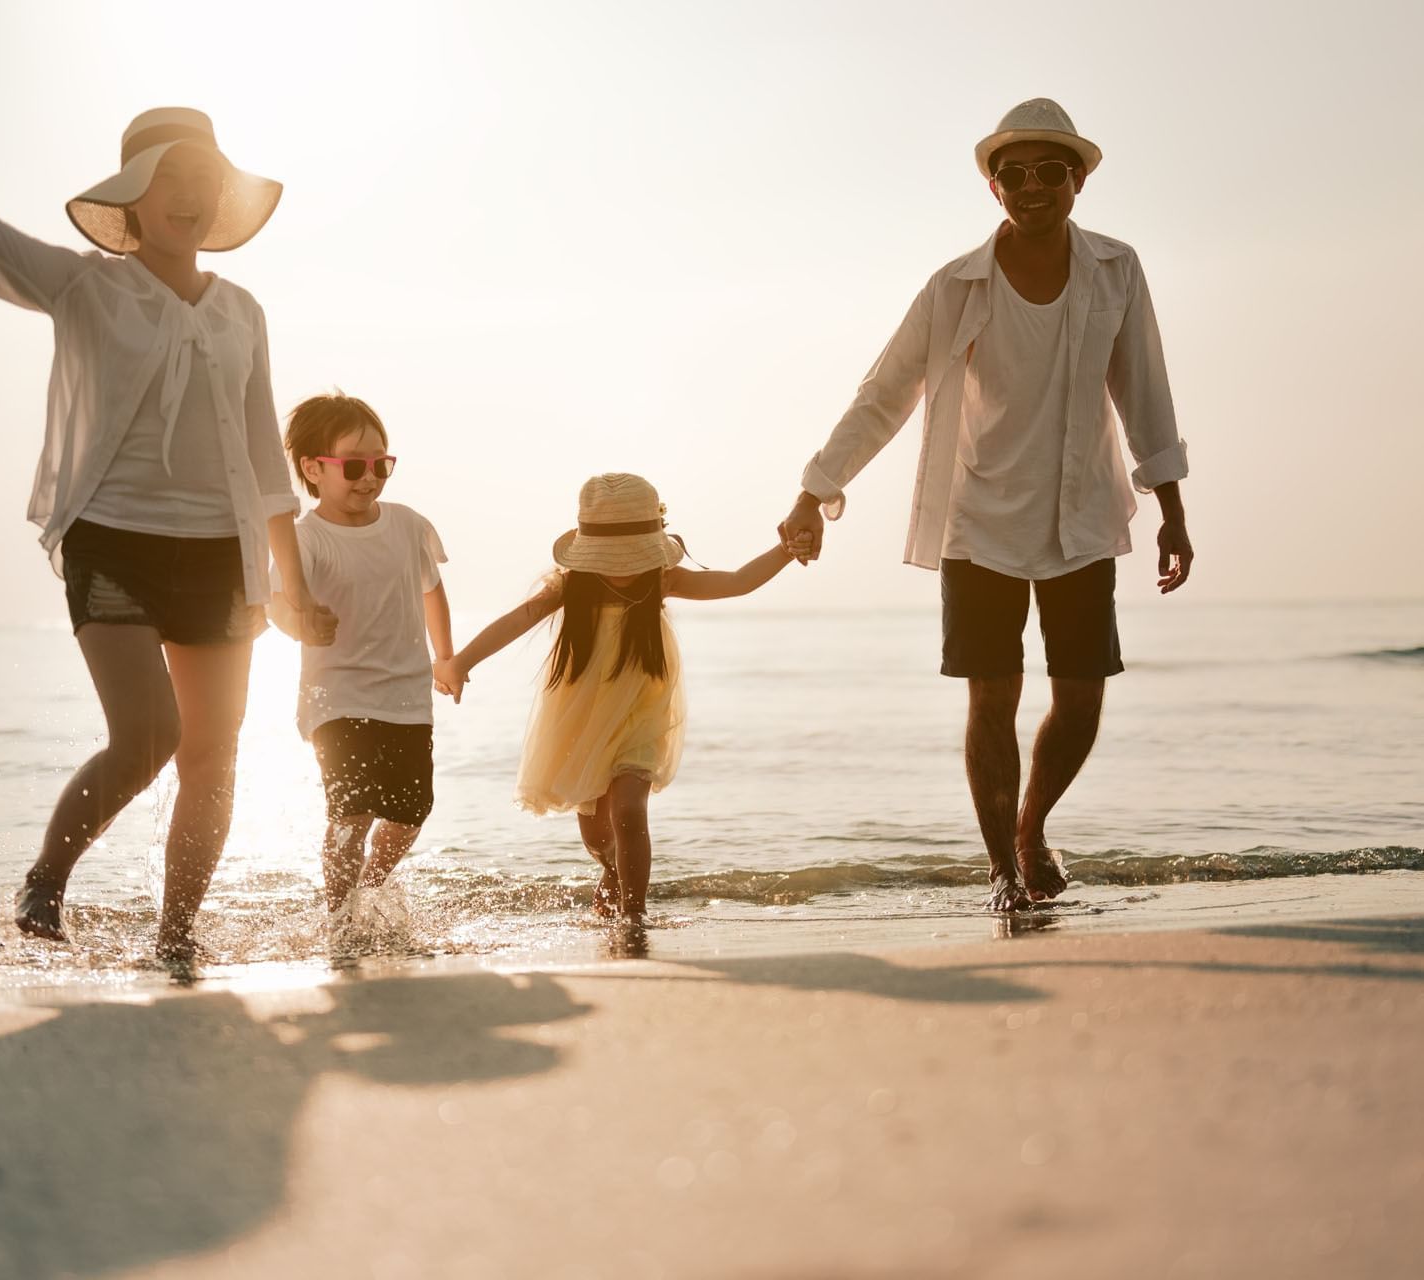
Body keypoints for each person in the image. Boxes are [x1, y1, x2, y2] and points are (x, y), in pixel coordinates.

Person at [0, 102, 336, 961]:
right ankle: (48, 877)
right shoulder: (85, 285)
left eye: (202, 180)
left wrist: (293, 586)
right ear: (131, 200)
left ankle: (176, 936)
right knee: (149, 736)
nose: (187, 196)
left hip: (221, 559)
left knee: (212, 758)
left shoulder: (242, 312)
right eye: (168, 180)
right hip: (113, 538)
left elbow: (267, 461)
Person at [779, 99, 1195, 912]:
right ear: (994, 189)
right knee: (990, 699)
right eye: (1014, 174)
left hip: (1079, 518)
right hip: (977, 520)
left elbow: (1144, 386)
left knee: (1079, 700)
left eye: (1049, 171)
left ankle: (1029, 828)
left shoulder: (1116, 268)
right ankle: (1003, 874)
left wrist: (1171, 508)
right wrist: (814, 489)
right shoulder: (953, 287)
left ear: (1076, 181)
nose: (1032, 186)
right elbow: (884, 393)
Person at [445, 474, 807, 920]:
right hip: (583, 714)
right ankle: (612, 869)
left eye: (632, 554)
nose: (624, 565)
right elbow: (514, 622)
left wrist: (787, 550)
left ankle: (634, 917)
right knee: (596, 836)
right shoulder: (570, 586)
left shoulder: (663, 580)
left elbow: (736, 581)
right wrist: (461, 662)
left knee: (630, 808)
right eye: (613, 555)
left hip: (643, 708)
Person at [273, 394, 453, 914]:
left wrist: (446, 656)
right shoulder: (306, 539)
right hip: (337, 697)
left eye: (381, 464)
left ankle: (368, 890)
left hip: (405, 693)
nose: (369, 476)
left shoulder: (406, 525)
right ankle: (338, 913)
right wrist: (300, 624)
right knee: (351, 811)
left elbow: (431, 589)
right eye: (353, 465)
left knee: (412, 810)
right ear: (313, 468)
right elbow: (276, 604)